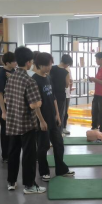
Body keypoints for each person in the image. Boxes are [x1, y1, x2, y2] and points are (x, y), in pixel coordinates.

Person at [5, 46, 46, 194]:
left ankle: (11, 181)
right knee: (29, 155)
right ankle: (29, 185)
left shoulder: (11, 78)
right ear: (29, 62)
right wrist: (40, 104)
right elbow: (34, 104)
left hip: (12, 121)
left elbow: (6, 98)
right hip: (26, 123)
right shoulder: (29, 81)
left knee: (13, 152)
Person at [33, 52, 75, 182]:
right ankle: (44, 172)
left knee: (59, 143)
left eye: (51, 64)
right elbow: (35, 103)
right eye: (48, 65)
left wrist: (58, 114)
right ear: (40, 65)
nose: (50, 67)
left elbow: (54, 98)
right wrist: (41, 121)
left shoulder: (48, 77)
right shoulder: (34, 80)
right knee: (43, 146)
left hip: (52, 117)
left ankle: (61, 169)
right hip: (42, 119)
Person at [0, 51, 16, 162]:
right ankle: (5, 155)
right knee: (5, 131)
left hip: (13, 105)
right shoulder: (2, 74)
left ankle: (11, 153)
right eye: (14, 61)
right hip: (5, 106)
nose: (15, 63)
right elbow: (0, 94)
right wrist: (3, 111)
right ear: (7, 63)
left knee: (12, 131)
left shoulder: (13, 71)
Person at [50, 54, 73, 134]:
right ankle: (58, 132)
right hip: (60, 95)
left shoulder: (52, 68)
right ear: (67, 63)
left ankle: (52, 132)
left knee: (52, 113)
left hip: (51, 94)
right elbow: (67, 85)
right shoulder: (65, 72)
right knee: (60, 114)